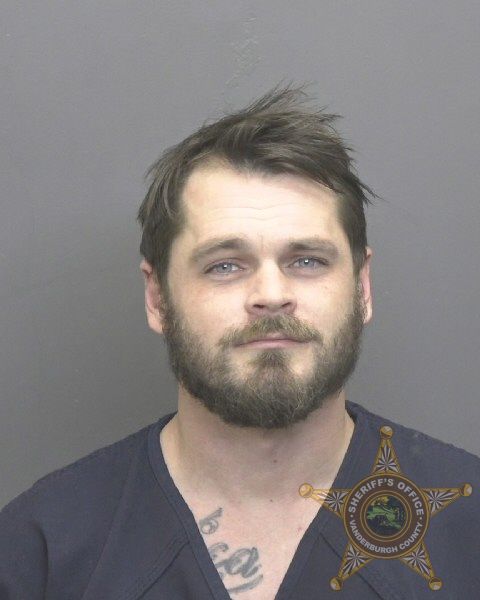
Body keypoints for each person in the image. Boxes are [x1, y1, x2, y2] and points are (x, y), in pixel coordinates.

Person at [1, 85, 479, 599]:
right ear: (157, 298)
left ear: (362, 288)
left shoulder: (468, 528)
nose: (271, 295)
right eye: (225, 265)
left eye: (307, 261)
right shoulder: (41, 551)